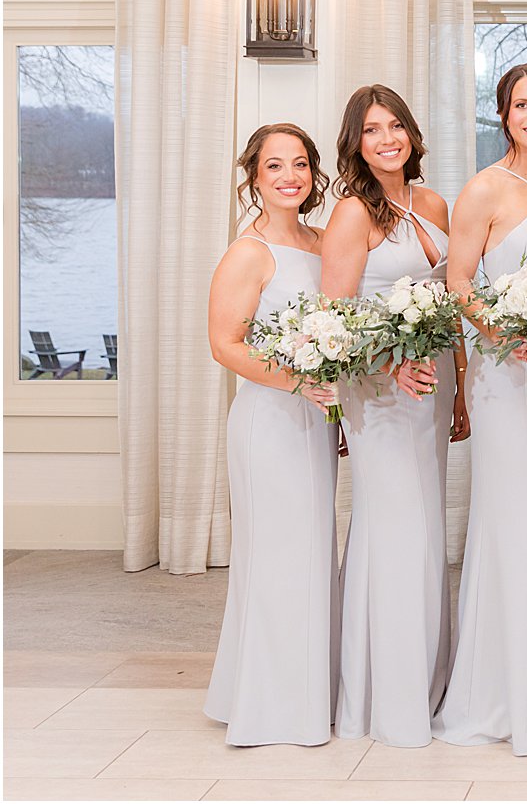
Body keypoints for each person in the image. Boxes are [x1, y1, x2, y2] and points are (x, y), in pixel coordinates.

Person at [433, 64, 527, 754]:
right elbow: (459, 281)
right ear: (503, 113)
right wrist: (499, 330)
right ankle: (499, 690)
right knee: (510, 513)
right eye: (522, 103)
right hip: (501, 374)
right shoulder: (484, 188)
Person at [322, 84, 469, 747]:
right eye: (373, 129)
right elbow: (335, 319)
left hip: (432, 381)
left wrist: (459, 384)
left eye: (396, 126)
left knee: (425, 523)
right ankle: (386, 697)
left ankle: (426, 682)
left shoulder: (433, 202)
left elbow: (449, 298)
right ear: (356, 142)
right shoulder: (354, 213)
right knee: (393, 526)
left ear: (411, 132)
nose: (387, 139)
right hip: (380, 387)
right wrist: (388, 367)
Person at [205, 123, 339, 746]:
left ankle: (301, 692)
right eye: (274, 166)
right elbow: (224, 345)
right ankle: (269, 706)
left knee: (312, 554)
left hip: (315, 420)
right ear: (254, 178)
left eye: (300, 164)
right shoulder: (248, 252)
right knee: (276, 557)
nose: (289, 176)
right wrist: (296, 383)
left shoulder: (320, 242)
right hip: (268, 422)